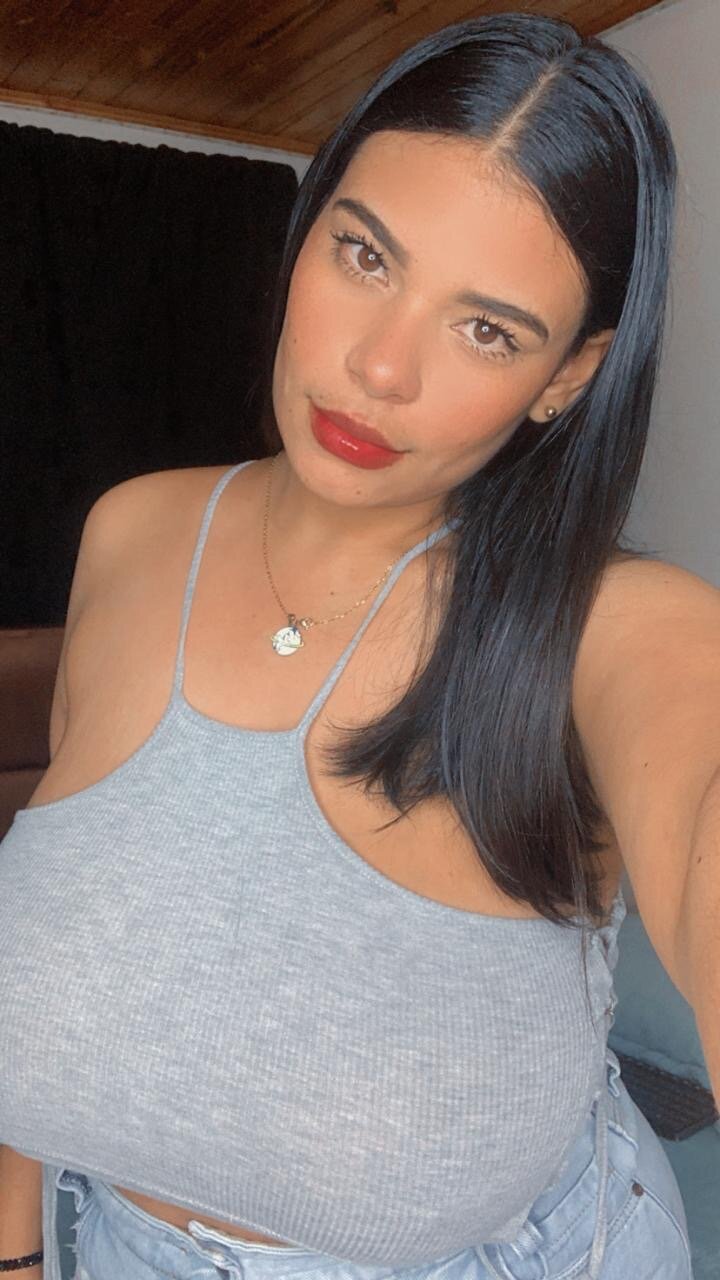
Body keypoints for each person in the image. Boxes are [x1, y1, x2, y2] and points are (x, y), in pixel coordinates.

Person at [1, 9, 708, 1280]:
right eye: (366, 254)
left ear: (568, 375)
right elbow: (63, 923)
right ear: (309, 227)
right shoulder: (131, 530)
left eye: (487, 328)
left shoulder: (609, 625)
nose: (381, 367)